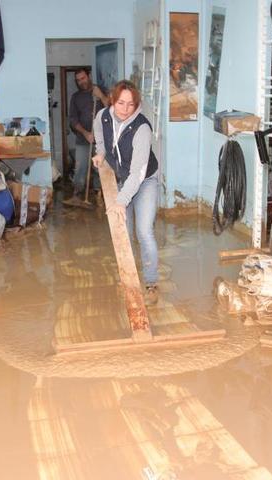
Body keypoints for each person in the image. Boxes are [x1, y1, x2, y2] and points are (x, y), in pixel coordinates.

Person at [91, 80, 160, 305]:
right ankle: (129, 280)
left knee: (144, 231)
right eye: (121, 103)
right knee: (123, 232)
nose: (125, 109)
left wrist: (121, 200)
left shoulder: (142, 128)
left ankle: (151, 284)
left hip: (145, 180)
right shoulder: (103, 116)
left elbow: (138, 172)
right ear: (113, 100)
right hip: (122, 177)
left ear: (136, 104)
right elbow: (99, 133)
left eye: (130, 104)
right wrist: (101, 153)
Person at [68, 69, 108, 199]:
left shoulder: (101, 90)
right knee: (80, 167)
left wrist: (101, 96)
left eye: (83, 78)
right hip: (83, 139)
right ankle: (77, 191)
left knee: (99, 167)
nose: (81, 82)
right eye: (78, 80)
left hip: (102, 139)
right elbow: (73, 120)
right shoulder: (76, 97)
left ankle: (99, 192)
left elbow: (113, 109)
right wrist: (86, 133)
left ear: (89, 76)